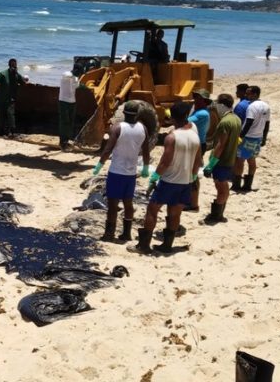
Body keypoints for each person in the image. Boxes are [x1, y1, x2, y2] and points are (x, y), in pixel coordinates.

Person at [130, 101, 201, 255]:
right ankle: (167, 245)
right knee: (175, 213)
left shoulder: (172, 137)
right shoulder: (195, 137)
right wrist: (193, 177)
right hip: (185, 182)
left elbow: (165, 162)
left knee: (152, 209)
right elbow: (197, 161)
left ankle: (143, 245)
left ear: (173, 118)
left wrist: (154, 177)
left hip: (169, 181)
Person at [93, 101, 151, 243]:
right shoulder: (143, 128)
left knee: (113, 204)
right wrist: (145, 167)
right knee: (128, 203)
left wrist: (99, 165)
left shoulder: (118, 128)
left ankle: (109, 234)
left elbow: (108, 149)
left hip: (116, 172)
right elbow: (146, 150)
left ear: (124, 113)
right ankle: (126, 233)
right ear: (138, 114)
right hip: (131, 173)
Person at [203, 94, 240, 224]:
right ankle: (219, 213)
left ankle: (216, 215)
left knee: (221, 188)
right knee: (224, 187)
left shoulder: (225, 122)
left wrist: (211, 164)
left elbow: (221, 144)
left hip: (221, 161)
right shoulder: (236, 119)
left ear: (222, 105)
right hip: (230, 159)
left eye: (218, 104)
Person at [232, 85, 270, 193]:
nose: (246, 95)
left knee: (240, 160)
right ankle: (248, 185)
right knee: (252, 160)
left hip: (248, 137)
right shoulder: (266, 106)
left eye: (248, 93)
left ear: (255, 94)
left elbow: (248, 122)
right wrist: (264, 138)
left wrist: (240, 136)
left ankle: (237, 185)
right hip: (257, 137)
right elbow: (267, 123)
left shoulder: (251, 106)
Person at [185, 89, 212, 211]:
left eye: (198, 97)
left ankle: (193, 204)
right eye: (195, 96)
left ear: (204, 101)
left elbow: (185, 122)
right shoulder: (198, 111)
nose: (195, 99)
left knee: (193, 174)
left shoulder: (202, 114)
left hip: (198, 145)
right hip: (197, 144)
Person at [0, 58, 28, 136]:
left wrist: (23, 79)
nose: (14, 67)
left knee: (10, 114)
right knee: (0, 115)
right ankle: (0, 130)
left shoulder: (16, 75)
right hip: (1, 99)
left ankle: (12, 131)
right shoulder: (3, 74)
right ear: (9, 65)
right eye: (12, 65)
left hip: (11, 99)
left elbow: (23, 83)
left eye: (15, 66)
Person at [58, 67, 79, 148]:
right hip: (63, 101)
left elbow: (77, 86)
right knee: (64, 121)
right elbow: (68, 76)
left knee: (70, 121)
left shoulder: (76, 78)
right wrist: (74, 75)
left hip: (72, 102)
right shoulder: (66, 74)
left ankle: (67, 139)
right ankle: (62, 141)